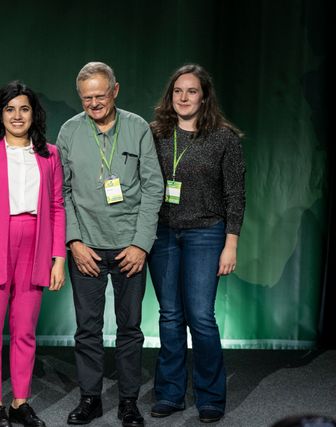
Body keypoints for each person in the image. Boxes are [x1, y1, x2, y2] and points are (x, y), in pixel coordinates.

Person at [57, 62, 164, 427]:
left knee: (130, 327)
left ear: (115, 91)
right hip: (85, 247)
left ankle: (129, 402)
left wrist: (141, 244)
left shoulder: (137, 129)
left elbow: (153, 188)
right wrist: (73, 240)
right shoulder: (69, 132)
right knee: (87, 328)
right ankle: (90, 398)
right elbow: (63, 192)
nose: (94, 103)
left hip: (129, 248)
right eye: (87, 98)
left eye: (100, 96)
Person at [0, 81, 66, 427]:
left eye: (24, 108)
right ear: (0, 114)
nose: (17, 116)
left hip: (35, 244)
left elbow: (57, 206)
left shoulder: (49, 153)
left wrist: (58, 258)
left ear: (34, 113)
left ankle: (20, 402)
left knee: (24, 330)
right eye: (10, 109)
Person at [147, 64, 245, 423]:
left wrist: (230, 242)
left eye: (191, 91)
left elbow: (236, 195)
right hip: (163, 234)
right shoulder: (156, 134)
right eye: (178, 91)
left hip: (206, 234)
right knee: (170, 316)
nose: (184, 97)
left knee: (201, 317)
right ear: (170, 96)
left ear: (204, 96)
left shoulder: (224, 138)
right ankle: (170, 394)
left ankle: (210, 396)